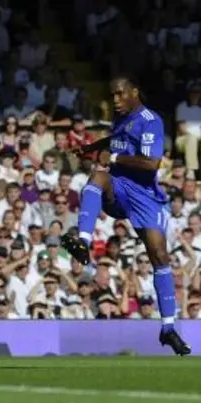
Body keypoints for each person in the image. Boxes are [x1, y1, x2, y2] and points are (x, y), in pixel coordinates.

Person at [60, 76, 190, 356]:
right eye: (112, 97)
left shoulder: (150, 120)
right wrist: (93, 148)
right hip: (119, 189)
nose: (115, 101)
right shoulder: (121, 119)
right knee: (97, 177)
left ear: (134, 92)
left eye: (119, 95)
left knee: (159, 255)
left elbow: (151, 163)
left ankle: (168, 328)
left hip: (145, 195)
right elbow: (116, 140)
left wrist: (114, 159)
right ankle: (83, 240)